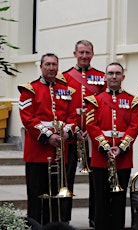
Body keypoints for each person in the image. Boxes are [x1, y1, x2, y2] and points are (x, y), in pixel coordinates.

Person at [18, 53, 78, 225]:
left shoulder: (66, 90)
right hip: (37, 151)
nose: (51, 68)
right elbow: (28, 118)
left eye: (54, 65)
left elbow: (72, 116)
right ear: (41, 66)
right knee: (36, 195)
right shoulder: (29, 89)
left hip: (59, 151)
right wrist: (48, 135)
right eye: (48, 64)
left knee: (56, 198)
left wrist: (66, 133)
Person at [84, 62, 138, 230]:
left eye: (117, 73)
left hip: (122, 157)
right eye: (110, 73)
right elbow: (91, 125)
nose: (114, 76)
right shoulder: (94, 100)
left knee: (119, 199)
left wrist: (122, 147)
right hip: (100, 156)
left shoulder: (132, 101)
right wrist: (105, 146)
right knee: (101, 199)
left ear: (123, 77)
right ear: (105, 77)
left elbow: (135, 126)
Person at [62, 40, 106, 227]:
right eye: (81, 52)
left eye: (88, 52)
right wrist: (72, 128)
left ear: (93, 54)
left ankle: (95, 217)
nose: (84, 56)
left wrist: (92, 129)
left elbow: (104, 105)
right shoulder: (64, 78)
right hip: (71, 135)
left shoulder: (101, 77)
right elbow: (62, 107)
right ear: (75, 54)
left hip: (92, 135)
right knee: (66, 178)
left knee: (96, 180)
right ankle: (64, 219)